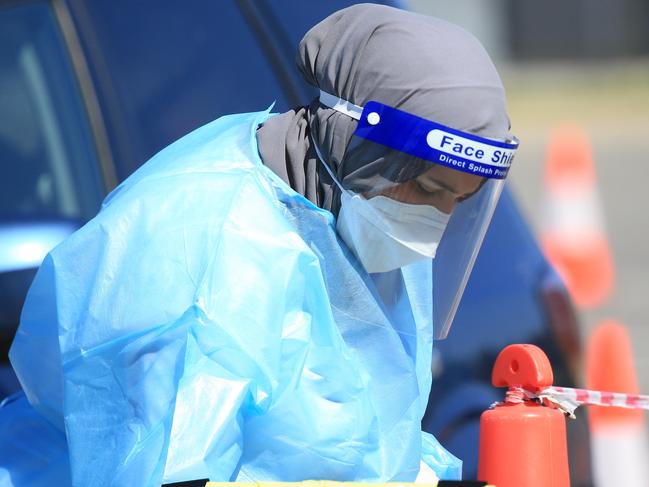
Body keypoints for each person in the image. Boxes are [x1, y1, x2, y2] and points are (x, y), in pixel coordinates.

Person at [0, 4, 518, 486]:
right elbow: (168, 469)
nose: (435, 221)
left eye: (457, 200)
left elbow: (372, 441)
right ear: (356, 144)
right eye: (428, 189)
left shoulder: (352, 215)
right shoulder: (200, 246)